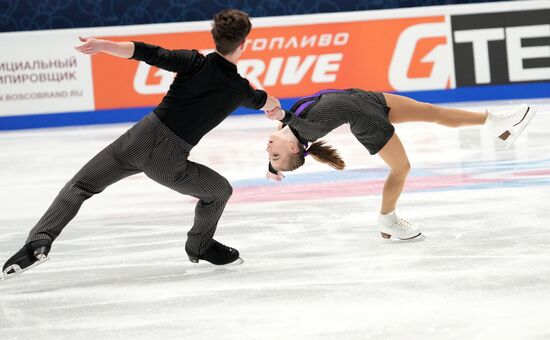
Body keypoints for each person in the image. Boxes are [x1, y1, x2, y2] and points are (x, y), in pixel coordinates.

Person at [2, 9, 280, 280]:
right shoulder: (239, 89)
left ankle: (38, 242)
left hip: (138, 139)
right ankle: (200, 246)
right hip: (169, 161)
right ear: (244, 43)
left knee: (80, 186)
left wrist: (102, 45)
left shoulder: (193, 62)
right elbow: (263, 101)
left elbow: (148, 52)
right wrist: (273, 107)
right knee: (219, 191)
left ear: (212, 35)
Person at [263, 89, 535, 240]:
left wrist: (274, 167)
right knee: (401, 168)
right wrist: (281, 114)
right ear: (292, 148)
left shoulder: (287, 129)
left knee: (432, 111)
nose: (268, 149)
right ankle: (388, 219)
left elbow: (284, 127)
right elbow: (299, 122)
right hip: (367, 121)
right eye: (275, 154)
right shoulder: (306, 131)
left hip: (366, 99)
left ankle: (494, 122)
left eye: (269, 154)